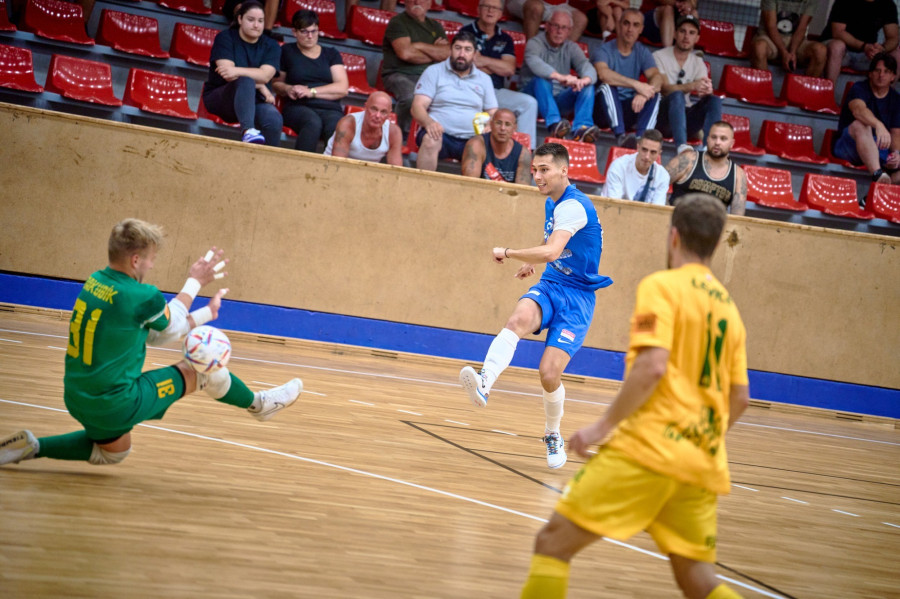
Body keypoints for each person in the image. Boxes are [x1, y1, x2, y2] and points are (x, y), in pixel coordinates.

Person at [519, 193, 750, 599]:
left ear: (674, 237)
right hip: (701, 462)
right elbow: (740, 398)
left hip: (649, 450)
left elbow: (652, 367)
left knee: (552, 543)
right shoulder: (728, 309)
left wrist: (601, 427)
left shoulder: (662, 286)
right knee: (697, 578)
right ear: (716, 244)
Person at [0, 219, 303, 468]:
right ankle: (260, 404)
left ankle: (33, 447)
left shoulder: (95, 282)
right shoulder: (141, 296)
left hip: (77, 396)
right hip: (116, 402)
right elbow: (172, 324)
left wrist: (205, 314)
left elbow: (155, 335)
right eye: (151, 259)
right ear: (135, 260)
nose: (152, 266)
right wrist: (195, 281)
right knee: (202, 371)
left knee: (113, 453)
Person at [459, 142, 613, 469]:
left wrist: (510, 253)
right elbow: (550, 243)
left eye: (545, 170)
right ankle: (485, 380)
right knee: (518, 320)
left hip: (578, 298)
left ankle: (552, 433)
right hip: (552, 284)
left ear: (564, 170)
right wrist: (534, 262)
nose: (538, 176)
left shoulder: (573, 206)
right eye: (535, 170)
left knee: (549, 373)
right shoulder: (552, 202)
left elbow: (553, 251)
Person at [410, 30, 498, 171]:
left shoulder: (484, 79)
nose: (462, 54)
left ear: (475, 54)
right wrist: (429, 123)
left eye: (467, 49)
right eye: (458, 48)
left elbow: (493, 112)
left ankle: (469, 187)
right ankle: (424, 184)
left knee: (479, 148)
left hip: (472, 137)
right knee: (430, 139)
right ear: (450, 50)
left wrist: (490, 123)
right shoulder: (433, 71)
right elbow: (417, 106)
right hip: (440, 134)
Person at [460, 0, 539, 150]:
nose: (491, 11)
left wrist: (482, 61)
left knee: (529, 103)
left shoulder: (505, 38)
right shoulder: (465, 33)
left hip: (495, 92)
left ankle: (524, 153)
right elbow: (464, 64)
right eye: (487, 7)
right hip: (469, 88)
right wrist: (495, 66)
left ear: (501, 14)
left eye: (495, 8)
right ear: (478, 9)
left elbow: (509, 69)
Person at [202, 1, 283, 146]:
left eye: (260, 21)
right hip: (222, 97)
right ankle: (248, 130)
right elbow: (228, 75)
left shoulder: (272, 45)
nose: (256, 25)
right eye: (251, 20)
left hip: (255, 100)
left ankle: (268, 159)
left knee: (273, 118)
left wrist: (237, 70)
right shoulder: (225, 38)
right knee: (245, 81)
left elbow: (265, 76)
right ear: (240, 19)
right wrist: (260, 85)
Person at [272, 10, 349, 153]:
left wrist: (311, 92)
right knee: (312, 123)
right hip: (298, 106)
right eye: (304, 32)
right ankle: (301, 166)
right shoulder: (287, 51)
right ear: (294, 32)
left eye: (314, 31)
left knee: (337, 128)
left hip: (330, 108)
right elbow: (276, 84)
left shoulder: (331, 53)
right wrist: (288, 88)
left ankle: (331, 167)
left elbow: (342, 88)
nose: (310, 36)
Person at [521, 10, 600, 143]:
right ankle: (555, 125)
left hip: (558, 100)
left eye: (564, 28)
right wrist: (559, 77)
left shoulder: (571, 47)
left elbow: (586, 66)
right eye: (555, 26)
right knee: (542, 80)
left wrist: (584, 80)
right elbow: (535, 63)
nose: (559, 31)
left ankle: (581, 129)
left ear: (569, 31)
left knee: (587, 86)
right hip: (534, 98)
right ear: (547, 26)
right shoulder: (535, 43)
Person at [593, 8, 663, 149]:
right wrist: (637, 85)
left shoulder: (642, 52)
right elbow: (603, 74)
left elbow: (657, 78)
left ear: (641, 29)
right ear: (619, 25)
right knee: (607, 86)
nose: (630, 29)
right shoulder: (603, 50)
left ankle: (642, 140)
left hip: (628, 109)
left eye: (635, 25)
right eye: (626, 23)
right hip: (602, 112)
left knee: (654, 94)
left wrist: (644, 94)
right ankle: (621, 137)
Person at [653, 15, 722, 155]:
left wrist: (706, 91)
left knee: (714, 100)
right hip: (662, 117)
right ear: (675, 34)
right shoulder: (658, 56)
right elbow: (664, 89)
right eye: (682, 31)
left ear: (697, 38)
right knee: (676, 95)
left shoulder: (698, 62)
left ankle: (708, 149)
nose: (686, 36)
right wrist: (692, 86)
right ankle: (682, 147)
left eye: (691, 33)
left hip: (685, 119)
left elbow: (702, 88)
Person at [381, 0, 450, 135]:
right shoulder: (398, 22)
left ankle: (436, 136)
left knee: (451, 97)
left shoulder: (436, 26)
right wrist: (434, 52)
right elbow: (405, 53)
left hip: (428, 77)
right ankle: (401, 136)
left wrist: (419, 46)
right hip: (398, 74)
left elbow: (446, 54)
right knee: (411, 98)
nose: (417, 2)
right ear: (405, 2)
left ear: (429, 4)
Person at [833, 52, 900, 185]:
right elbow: (858, 110)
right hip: (849, 146)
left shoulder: (896, 99)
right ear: (870, 73)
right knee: (860, 125)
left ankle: (875, 192)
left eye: (886, 72)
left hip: (878, 150)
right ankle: (877, 173)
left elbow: (896, 134)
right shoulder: (859, 88)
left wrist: (896, 154)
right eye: (877, 71)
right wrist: (878, 125)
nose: (881, 75)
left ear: (893, 76)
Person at [666, 121, 748, 216]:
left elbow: (737, 217)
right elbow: (657, 183)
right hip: (679, 221)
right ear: (707, 139)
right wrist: (667, 214)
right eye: (714, 137)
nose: (717, 142)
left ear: (732, 143)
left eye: (723, 139)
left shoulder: (738, 175)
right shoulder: (688, 160)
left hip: (713, 225)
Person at [822, 0, 900, 84]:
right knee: (837, 46)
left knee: (897, 54)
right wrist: (864, 46)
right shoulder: (843, 2)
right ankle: (829, 89)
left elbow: (893, 38)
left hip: (867, 54)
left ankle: (887, 92)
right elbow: (838, 32)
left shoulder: (888, 4)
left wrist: (882, 49)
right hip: (843, 52)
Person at [749, 0, 826, 78]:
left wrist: (792, 52)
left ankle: (805, 85)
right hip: (770, 39)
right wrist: (784, 52)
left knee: (820, 51)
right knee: (759, 47)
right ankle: (763, 83)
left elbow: (802, 28)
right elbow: (771, 26)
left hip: (796, 41)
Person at [324, 92, 404, 166]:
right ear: (365, 107)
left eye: (383, 112)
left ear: (389, 114)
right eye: (374, 109)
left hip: (366, 174)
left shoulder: (394, 132)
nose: (378, 116)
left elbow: (396, 170)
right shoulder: (348, 124)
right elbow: (337, 164)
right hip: (330, 168)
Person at [461, 108, 533, 184]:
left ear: (514, 128)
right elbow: (469, 184)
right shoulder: (476, 145)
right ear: (491, 124)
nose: (502, 128)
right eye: (498, 123)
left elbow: (522, 189)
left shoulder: (523, 154)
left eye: (507, 124)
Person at [601, 129, 670, 205]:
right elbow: (613, 205)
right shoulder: (619, 166)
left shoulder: (663, 176)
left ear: (659, 153)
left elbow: (657, 209)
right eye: (644, 150)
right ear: (638, 147)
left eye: (653, 152)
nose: (647, 156)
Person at [506, 0, 587, 41]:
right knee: (536, 8)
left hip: (557, 5)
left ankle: (558, 57)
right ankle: (532, 53)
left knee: (580, 19)